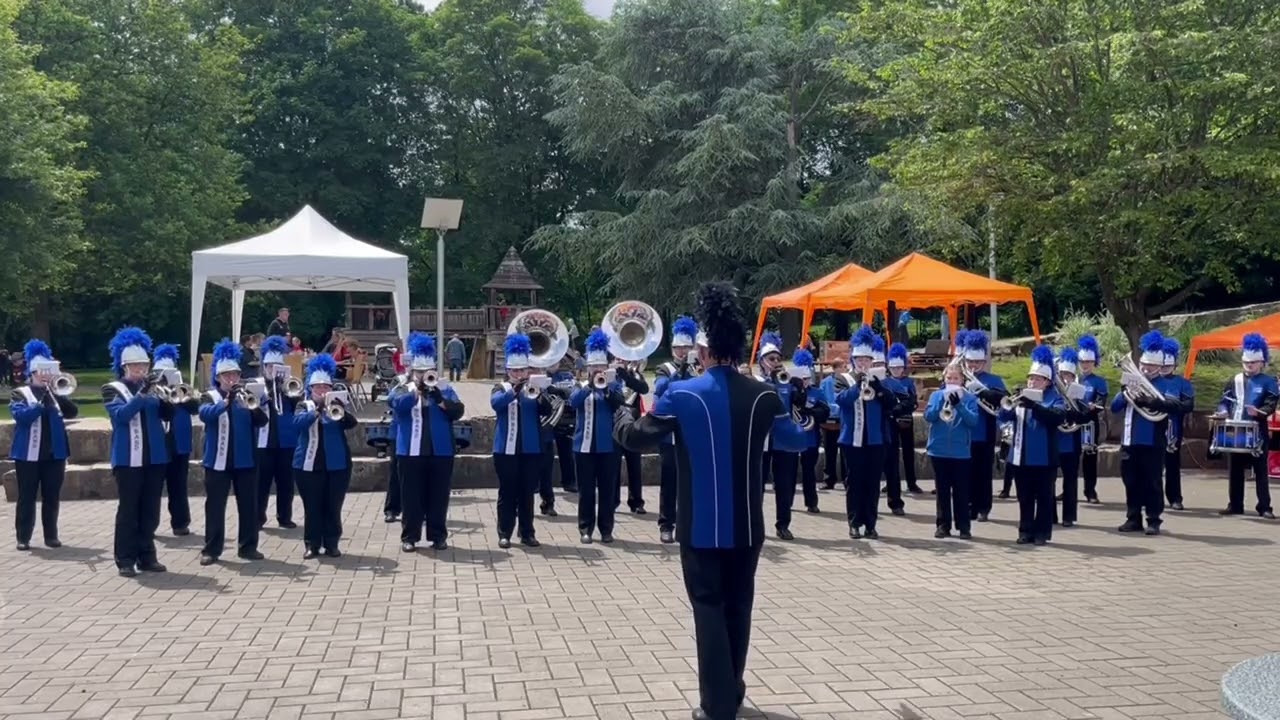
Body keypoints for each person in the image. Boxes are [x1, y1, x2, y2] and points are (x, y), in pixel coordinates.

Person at [614, 281, 783, 720]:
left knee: (707, 609)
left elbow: (633, 438)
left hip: (700, 527)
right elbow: (798, 436)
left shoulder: (683, 394)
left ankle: (717, 704)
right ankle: (733, 690)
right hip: (748, 527)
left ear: (704, 353)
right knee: (739, 607)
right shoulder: (766, 395)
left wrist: (623, 405)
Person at [103, 327, 173, 577]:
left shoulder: (153, 388)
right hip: (127, 459)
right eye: (135, 367)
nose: (141, 371)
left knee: (151, 510)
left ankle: (147, 556)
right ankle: (124, 558)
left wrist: (170, 400)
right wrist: (143, 394)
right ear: (124, 367)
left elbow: (167, 416)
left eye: (143, 366)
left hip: (154, 457)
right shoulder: (112, 389)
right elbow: (121, 416)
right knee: (129, 510)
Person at [198, 339, 268, 565]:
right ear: (218, 377)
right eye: (227, 376)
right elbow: (206, 415)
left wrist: (254, 405)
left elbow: (262, 421)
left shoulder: (246, 396)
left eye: (235, 375)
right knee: (216, 506)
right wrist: (226, 402)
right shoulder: (210, 396)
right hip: (217, 461)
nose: (231, 379)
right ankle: (212, 549)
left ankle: (248, 547)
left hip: (244, 460)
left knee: (248, 505)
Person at [392, 334, 465, 552]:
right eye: (419, 372)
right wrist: (415, 391)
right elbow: (397, 405)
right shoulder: (402, 386)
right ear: (412, 372)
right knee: (411, 496)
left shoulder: (443, 388)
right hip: (410, 451)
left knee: (439, 495)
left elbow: (458, 411)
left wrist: (439, 398)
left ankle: (438, 536)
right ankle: (410, 537)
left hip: (440, 451)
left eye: (427, 372)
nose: (423, 376)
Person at [10, 339, 77, 551]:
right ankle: (23, 536)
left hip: (54, 453)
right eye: (42, 372)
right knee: (26, 496)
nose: (45, 376)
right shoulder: (21, 393)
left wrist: (57, 395)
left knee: (52, 496)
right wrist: (41, 403)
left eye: (48, 372)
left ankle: (51, 535)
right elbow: (22, 418)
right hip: (27, 454)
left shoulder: (56, 393)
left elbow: (72, 412)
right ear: (33, 372)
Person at [1111, 331, 1180, 535]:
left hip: (1152, 441)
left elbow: (1174, 405)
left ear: (1159, 367)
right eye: (1143, 365)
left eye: (1150, 366)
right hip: (1129, 441)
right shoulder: (1132, 381)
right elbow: (1114, 407)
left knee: (1152, 481)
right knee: (1130, 480)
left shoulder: (1166, 384)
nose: (1145, 369)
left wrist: (1151, 401)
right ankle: (1133, 518)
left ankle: (1153, 519)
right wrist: (1125, 392)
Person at [292, 354, 359, 557]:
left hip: (336, 465)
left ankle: (331, 543)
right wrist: (316, 411)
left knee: (333, 505)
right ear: (310, 389)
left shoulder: (336, 406)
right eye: (317, 388)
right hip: (307, 465)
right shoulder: (304, 406)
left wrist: (338, 408)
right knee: (312, 507)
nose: (321, 391)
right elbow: (297, 424)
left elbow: (351, 423)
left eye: (325, 387)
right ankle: (311, 544)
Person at [490, 333, 553, 548]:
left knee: (527, 492)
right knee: (507, 492)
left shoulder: (534, 389)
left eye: (522, 370)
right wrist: (515, 390)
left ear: (528, 370)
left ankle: (527, 533)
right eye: (515, 371)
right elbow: (496, 404)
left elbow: (547, 409)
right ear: (508, 371)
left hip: (530, 448)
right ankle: (504, 532)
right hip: (505, 449)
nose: (519, 374)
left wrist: (541, 392)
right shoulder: (501, 388)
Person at [998, 346, 1066, 545]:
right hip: (1020, 457)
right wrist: (1009, 405)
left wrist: (1034, 406)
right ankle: (1025, 530)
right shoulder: (1021, 398)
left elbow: (1056, 418)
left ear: (1046, 382)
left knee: (1044, 498)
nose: (1032, 381)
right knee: (1024, 497)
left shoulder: (1055, 399)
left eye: (1036, 378)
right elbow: (1003, 416)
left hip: (1044, 459)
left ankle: (1042, 532)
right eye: (1030, 378)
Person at [835, 325, 897, 540]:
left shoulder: (880, 380)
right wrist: (856, 387)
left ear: (872, 361)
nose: (863, 363)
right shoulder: (844, 379)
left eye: (867, 360)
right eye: (859, 360)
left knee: (872, 483)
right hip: (851, 439)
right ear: (853, 360)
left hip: (876, 439)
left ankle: (870, 523)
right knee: (854, 482)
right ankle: (854, 523)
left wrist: (878, 388)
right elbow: (841, 401)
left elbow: (891, 404)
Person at [571, 329, 627, 543]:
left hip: (608, 446)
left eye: (600, 366)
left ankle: (606, 529)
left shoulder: (614, 386)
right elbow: (573, 402)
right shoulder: (580, 386)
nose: (597, 370)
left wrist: (607, 389)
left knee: (607, 490)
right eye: (594, 366)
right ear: (588, 368)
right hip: (583, 446)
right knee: (586, 491)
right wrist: (590, 386)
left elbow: (618, 404)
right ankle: (585, 529)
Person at [1215, 333, 1278, 519]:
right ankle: (1235, 504)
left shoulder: (1269, 381)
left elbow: (1271, 403)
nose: (1249, 366)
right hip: (1236, 429)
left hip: (1257, 431)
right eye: (1246, 362)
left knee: (1260, 470)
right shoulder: (1233, 380)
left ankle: (1264, 507)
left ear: (1261, 362)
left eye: (1253, 362)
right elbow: (1224, 400)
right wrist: (1222, 411)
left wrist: (1259, 412)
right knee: (1235, 469)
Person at [770, 348, 828, 539]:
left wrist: (799, 390)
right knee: (756, 485)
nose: (775, 361)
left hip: (785, 440)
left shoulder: (788, 382)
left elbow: (802, 405)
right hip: (763, 440)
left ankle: (783, 524)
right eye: (771, 358)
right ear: (762, 361)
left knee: (785, 484)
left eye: (778, 358)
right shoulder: (756, 382)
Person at [653, 316, 699, 542]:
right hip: (670, 434)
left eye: (686, 348)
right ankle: (666, 524)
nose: (682, 352)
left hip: (691, 433)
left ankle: (687, 523)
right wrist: (678, 371)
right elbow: (660, 389)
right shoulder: (664, 368)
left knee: (690, 481)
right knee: (669, 480)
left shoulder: (698, 369)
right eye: (678, 348)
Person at [923, 360, 978, 538]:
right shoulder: (936, 396)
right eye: (949, 378)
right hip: (938, 450)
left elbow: (973, 422)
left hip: (960, 451)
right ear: (944, 379)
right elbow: (929, 417)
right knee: (942, 491)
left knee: (961, 491)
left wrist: (959, 405)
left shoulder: (970, 398)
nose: (952, 381)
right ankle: (943, 525)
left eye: (956, 378)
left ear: (962, 380)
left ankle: (964, 527)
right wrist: (942, 402)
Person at [959, 330, 1007, 522]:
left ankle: (983, 507)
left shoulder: (993, 380)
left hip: (984, 433)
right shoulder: (960, 376)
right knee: (966, 472)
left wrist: (981, 391)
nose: (973, 366)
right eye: (970, 362)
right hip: (964, 433)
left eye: (977, 362)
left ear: (984, 362)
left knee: (983, 472)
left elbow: (1002, 399)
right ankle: (968, 506)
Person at [151, 344, 198, 537]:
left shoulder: (183, 389)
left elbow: (195, 408)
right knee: (153, 487)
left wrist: (181, 393)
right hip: (158, 444)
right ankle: (149, 525)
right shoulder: (150, 390)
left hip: (179, 443)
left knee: (178, 484)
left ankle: (180, 522)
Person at [255, 335, 300, 529]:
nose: (272, 370)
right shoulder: (257, 386)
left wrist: (287, 390)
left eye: (276, 366)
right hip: (263, 441)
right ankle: (258, 517)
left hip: (286, 440)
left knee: (286, 482)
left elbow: (298, 405)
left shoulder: (289, 385)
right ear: (264, 368)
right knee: (261, 482)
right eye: (269, 366)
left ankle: (285, 516)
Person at [881, 341, 921, 511]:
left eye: (899, 368)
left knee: (908, 451)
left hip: (905, 420)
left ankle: (911, 482)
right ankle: (890, 485)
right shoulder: (885, 382)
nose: (896, 370)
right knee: (892, 456)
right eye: (893, 368)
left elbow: (913, 401)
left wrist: (904, 406)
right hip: (890, 423)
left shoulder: (908, 382)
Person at [1160, 337, 1195, 511]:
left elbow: (1189, 405)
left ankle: (1175, 497)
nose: (1164, 369)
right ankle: (1153, 497)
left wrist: (1173, 405)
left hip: (1173, 427)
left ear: (1174, 366)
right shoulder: (1151, 380)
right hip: (1152, 426)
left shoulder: (1182, 383)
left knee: (1172, 463)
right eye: (1162, 366)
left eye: (1168, 366)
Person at [792, 350, 827, 513]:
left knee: (809, 473)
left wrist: (811, 412)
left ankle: (811, 502)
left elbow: (825, 411)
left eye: (807, 378)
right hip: (792, 438)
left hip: (810, 439)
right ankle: (788, 502)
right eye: (802, 379)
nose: (805, 382)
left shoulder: (816, 392)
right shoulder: (790, 392)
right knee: (790, 474)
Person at [1076, 335, 1108, 503]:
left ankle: (1090, 491)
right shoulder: (1072, 378)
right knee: (1070, 459)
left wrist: (1095, 406)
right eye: (1082, 362)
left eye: (1088, 362)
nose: (1085, 365)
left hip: (1090, 424)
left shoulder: (1099, 381)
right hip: (1073, 422)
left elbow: (1102, 401)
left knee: (1089, 458)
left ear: (1094, 362)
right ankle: (1069, 489)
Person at [819, 357, 847, 489]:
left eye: (844, 367)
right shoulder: (825, 382)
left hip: (843, 420)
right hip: (829, 421)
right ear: (835, 368)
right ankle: (829, 479)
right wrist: (832, 408)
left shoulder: (848, 380)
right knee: (830, 451)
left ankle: (846, 479)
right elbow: (822, 398)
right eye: (841, 367)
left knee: (845, 452)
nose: (844, 369)